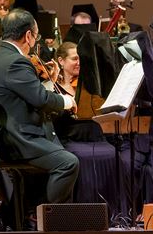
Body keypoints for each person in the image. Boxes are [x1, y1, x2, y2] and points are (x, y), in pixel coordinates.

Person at [0, 9, 79, 226]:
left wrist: (49, 86)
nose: (35, 42)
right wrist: (67, 101)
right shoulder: (16, 61)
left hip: (6, 135)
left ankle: (16, 216)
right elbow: (41, 99)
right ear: (28, 36)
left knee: (55, 158)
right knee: (68, 163)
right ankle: (49, 219)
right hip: (18, 140)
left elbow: (28, 93)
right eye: (35, 37)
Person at [52, 42, 119, 213]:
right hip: (71, 139)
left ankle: (113, 213)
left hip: (97, 137)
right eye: (74, 58)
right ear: (61, 61)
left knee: (113, 153)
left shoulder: (91, 86)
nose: (79, 62)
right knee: (81, 157)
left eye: (81, 58)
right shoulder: (54, 89)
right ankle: (83, 214)